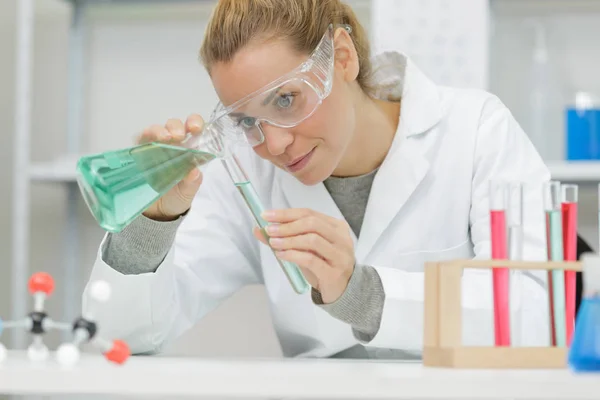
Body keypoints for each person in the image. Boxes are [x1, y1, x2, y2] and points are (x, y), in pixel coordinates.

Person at [82, 0, 551, 359]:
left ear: (342, 57)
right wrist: (155, 219)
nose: (276, 145)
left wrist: (360, 293)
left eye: (285, 100)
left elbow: (538, 317)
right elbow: (121, 337)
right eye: (246, 121)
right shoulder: (246, 170)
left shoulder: (475, 131)